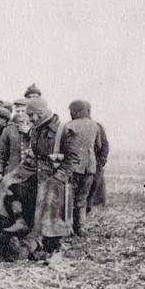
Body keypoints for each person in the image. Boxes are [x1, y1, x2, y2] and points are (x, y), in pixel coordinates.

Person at [0, 97, 78, 262]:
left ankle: (49, 248)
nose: (29, 119)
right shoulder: (36, 129)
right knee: (9, 184)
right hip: (34, 173)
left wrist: (59, 176)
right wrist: (18, 173)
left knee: (48, 220)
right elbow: (33, 154)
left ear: (41, 113)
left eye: (31, 116)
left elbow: (73, 159)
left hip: (54, 180)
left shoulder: (64, 131)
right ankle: (20, 221)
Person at [65, 99, 102, 236]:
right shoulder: (95, 126)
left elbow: (65, 146)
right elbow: (98, 146)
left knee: (69, 198)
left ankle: (68, 228)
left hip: (73, 167)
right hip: (89, 167)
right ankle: (81, 227)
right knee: (82, 199)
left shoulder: (69, 125)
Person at [0, 108, 32, 183]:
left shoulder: (35, 128)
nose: (20, 114)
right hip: (12, 172)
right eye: (17, 111)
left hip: (31, 174)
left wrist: (29, 133)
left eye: (23, 111)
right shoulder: (8, 129)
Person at [87, 105, 109, 214]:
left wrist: (101, 161)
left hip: (95, 164)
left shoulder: (97, 126)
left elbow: (104, 145)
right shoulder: (73, 126)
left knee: (95, 187)